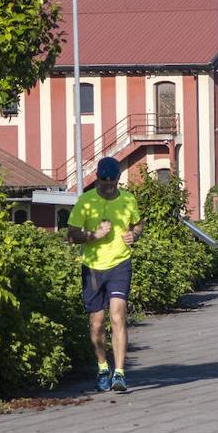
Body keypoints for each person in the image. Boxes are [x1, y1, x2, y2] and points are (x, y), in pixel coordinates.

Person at [68, 156, 144, 394]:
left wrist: (134, 235)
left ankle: (119, 373)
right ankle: (103, 367)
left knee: (118, 316)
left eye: (113, 181)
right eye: (104, 181)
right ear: (98, 179)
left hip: (120, 264)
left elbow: (138, 224)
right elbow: (71, 236)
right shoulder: (85, 202)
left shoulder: (128, 199)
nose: (109, 186)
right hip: (92, 268)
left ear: (118, 179)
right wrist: (94, 235)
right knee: (96, 323)